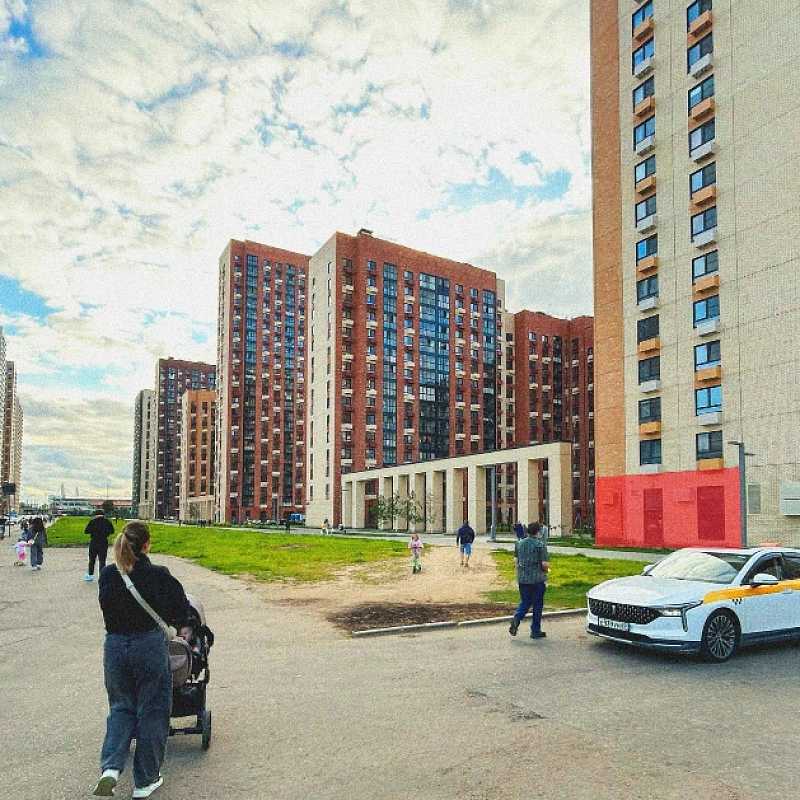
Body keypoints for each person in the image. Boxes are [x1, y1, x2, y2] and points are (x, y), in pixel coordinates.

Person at [94, 522, 190, 799]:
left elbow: (106, 607)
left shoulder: (108, 574)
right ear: (147, 544)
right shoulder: (158, 575)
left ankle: (111, 769)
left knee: (121, 707)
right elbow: (181, 609)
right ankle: (146, 780)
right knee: (153, 710)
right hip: (147, 645)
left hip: (114, 646)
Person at [509, 522, 550, 640]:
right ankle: (535, 630)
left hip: (523, 579)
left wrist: (519, 574)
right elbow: (544, 564)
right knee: (537, 605)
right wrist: (546, 570)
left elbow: (515, 561)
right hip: (537, 579)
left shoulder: (519, 543)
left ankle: (517, 618)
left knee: (525, 602)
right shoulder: (540, 545)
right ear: (538, 532)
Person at [85, 509, 115, 582]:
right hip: (103, 542)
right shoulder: (107, 521)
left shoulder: (92, 521)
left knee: (92, 559)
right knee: (102, 560)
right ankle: (102, 576)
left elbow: (86, 531)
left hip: (94, 542)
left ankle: (90, 575)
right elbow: (112, 531)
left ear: (95, 515)